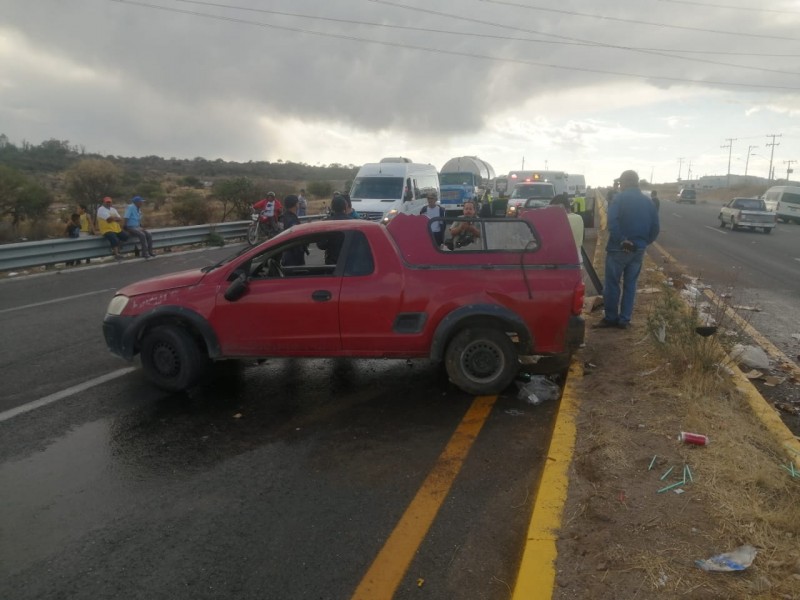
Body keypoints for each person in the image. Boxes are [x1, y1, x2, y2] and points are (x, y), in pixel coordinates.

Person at [598, 170, 660, 330]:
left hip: (618, 249)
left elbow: (612, 221)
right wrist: (643, 243)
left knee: (612, 284)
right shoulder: (648, 202)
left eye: (620, 183)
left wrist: (622, 240)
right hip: (638, 250)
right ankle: (624, 319)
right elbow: (655, 228)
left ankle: (611, 318)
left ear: (624, 183)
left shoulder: (619, 198)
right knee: (630, 284)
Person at [549, 195, 585, 260]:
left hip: (564, 261)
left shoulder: (560, 219)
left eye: (555, 209)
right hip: (578, 259)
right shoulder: (579, 217)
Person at [317, 194, 348, 265]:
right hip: (349, 262)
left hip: (332, 263)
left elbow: (321, 245)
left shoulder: (326, 223)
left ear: (332, 207)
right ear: (345, 207)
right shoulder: (353, 221)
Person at [97, 196, 129, 260]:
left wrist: (113, 218)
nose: (108, 203)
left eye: (109, 202)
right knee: (114, 239)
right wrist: (115, 218)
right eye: (107, 202)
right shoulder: (101, 209)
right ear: (103, 202)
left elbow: (120, 219)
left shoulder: (113, 209)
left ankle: (116, 247)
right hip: (106, 229)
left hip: (116, 228)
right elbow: (109, 219)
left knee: (126, 236)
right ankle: (116, 254)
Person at [279, 195, 306, 267]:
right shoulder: (291, 220)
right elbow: (296, 238)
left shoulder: (285, 216)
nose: (298, 205)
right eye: (298, 203)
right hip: (294, 257)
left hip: (288, 254)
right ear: (295, 204)